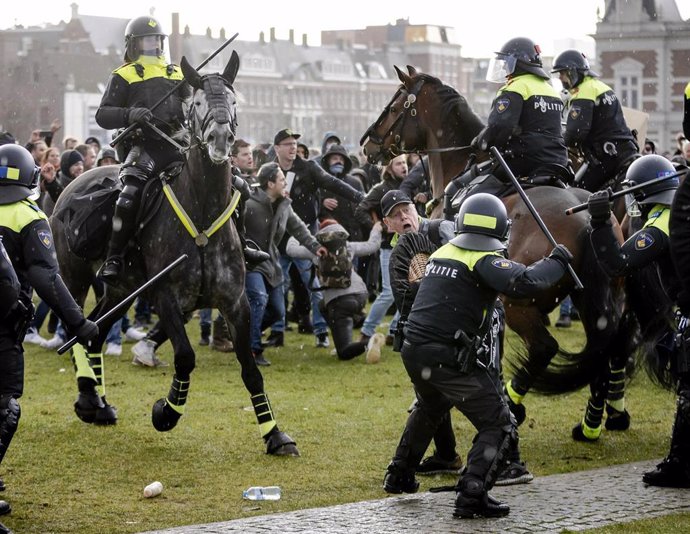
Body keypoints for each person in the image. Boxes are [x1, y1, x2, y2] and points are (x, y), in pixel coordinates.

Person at [383, 193, 572, 518]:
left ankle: (399, 475)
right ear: (500, 229)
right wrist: (557, 260)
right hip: (447, 354)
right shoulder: (484, 259)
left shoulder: (445, 251)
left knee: (432, 406)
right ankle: (472, 493)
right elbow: (526, 282)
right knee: (499, 423)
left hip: (414, 348)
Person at [0, 144, 98, 523]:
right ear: (31, 178)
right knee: (5, 409)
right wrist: (79, 322)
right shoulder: (28, 215)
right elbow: (45, 277)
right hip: (4, 328)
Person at [587, 156, 686, 482]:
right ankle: (679, 462)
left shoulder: (659, 226)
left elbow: (616, 264)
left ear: (643, 196)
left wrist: (601, 221)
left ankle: (679, 466)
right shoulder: (683, 213)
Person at [94, 15, 192, 282]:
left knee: (228, 182)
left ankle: (242, 244)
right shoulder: (124, 74)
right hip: (144, 147)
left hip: (177, 147)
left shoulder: (177, 73)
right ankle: (114, 256)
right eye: (147, 40)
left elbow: (192, 109)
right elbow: (102, 115)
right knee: (129, 193)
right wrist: (129, 114)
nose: (153, 44)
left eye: (157, 39)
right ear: (134, 45)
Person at [265, 128, 364, 349]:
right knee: (277, 286)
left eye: (294, 143)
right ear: (277, 148)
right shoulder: (270, 171)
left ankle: (321, 331)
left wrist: (360, 197)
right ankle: (277, 332)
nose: (293, 147)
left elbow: (333, 183)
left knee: (315, 285)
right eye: (288, 143)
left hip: (306, 236)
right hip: (278, 238)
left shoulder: (308, 168)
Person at [456, 37, 569, 202]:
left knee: (470, 196)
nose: (504, 68)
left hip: (525, 161)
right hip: (558, 162)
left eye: (506, 63)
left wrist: (481, 141)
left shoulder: (515, 88)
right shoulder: (551, 90)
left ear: (518, 63)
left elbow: (499, 127)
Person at [245, 162, 326, 366]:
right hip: (249, 261)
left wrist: (316, 247)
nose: (285, 183)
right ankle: (252, 350)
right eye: (281, 179)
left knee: (278, 311)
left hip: (271, 262)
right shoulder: (248, 202)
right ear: (270, 183)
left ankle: (243, 334)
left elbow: (299, 229)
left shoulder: (284, 205)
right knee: (259, 299)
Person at [287, 219, 382, 360]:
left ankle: (369, 343)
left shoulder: (316, 251)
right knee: (322, 306)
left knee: (343, 353)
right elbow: (373, 245)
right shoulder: (348, 246)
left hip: (340, 303)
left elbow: (290, 250)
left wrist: (298, 232)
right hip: (360, 295)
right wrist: (376, 229)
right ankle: (355, 320)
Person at [551, 49, 638, 192]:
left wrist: (557, 143)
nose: (560, 78)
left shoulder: (584, 91)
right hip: (625, 150)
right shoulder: (600, 86)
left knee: (576, 193)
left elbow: (575, 133)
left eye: (562, 73)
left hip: (608, 157)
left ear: (573, 72)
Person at [355, 154, 409, 347]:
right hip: (389, 246)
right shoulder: (381, 189)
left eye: (404, 162)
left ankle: (395, 331)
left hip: (410, 244)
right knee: (389, 292)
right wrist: (379, 227)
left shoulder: (411, 184)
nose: (403, 166)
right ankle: (366, 331)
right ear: (389, 167)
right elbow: (361, 210)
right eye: (398, 163)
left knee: (410, 290)